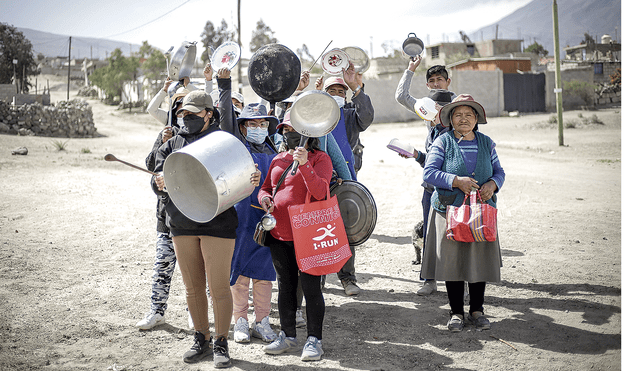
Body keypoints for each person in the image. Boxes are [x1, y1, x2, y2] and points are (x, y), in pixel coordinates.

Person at [153, 89, 261, 367]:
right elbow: (156, 178)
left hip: (218, 224)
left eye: (192, 113)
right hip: (181, 223)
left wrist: (252, 177)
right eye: (182, 114)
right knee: (193, 289)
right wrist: (158, 184)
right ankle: (200, 338)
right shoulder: (172, 143)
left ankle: (221, 342)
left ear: (209, 114)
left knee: (219, 288)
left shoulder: (222, 141)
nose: (185, 118)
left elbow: (244, 172)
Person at [422, 94, 505, 332]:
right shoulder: (442, 142)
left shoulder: (487, 143)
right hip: (450, 212)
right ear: (450, 119)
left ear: (476, 119)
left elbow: (499, 171)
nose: (463, 119)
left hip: (480, 213)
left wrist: (493, 184)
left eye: (469, 114)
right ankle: (456, 312)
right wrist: (456, 180)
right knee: (453, 263)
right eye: (458, 114)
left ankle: (477, 310)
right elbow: (429, 173)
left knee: (477, 260)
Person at [258, 111, 333, 361]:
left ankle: (314, 340)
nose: (289, 134)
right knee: (286, 286)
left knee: (311, 288)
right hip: (279, 233)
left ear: (308, 134)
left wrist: (305, 165)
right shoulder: (278, 159)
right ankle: (288, 336)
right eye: (285, 130)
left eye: (295, 130)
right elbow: (266, 188)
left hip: (309, 233)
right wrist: (265, 199)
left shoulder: (321, 159)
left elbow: (321, 191)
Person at [216, 66, 280, 344]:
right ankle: (240, 321)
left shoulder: (277, 153)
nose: (258, 128)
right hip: (240, 220)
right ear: (242, 127)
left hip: (267, 220)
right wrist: (223, 83)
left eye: (263, 124)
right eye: (252, 124)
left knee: (264, 275)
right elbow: (225, 117)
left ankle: (262, 322)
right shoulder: (235, 149)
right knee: (239, 273)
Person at [395, 56, 457, 296]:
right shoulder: (426, 107)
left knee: (456, 232)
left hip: (454, 184)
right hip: (431, 182)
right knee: (429, 232)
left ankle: (458, 282)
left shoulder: (459, 106)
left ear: (448, 82)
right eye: (431, 81)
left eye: (440, 80)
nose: (436, 85)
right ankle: (429, 279)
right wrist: (410, 69)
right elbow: (401, 97)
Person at [136, 78, 193, 330]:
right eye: (178, 106)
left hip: (194, 215)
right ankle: (157, 311)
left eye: (187, 107)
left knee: (195, 269)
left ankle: (197, 312)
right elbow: (151, 165)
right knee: (162, 265)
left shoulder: (201, 137)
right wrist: (162, 140)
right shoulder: (167, 135)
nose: (183, 112)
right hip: (166, 216)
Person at [314, 62, 374, 296]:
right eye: (332, 91)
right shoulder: (315, 116)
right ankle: (317, 278)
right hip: (318, 177)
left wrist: (356, 88)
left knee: (346, 226)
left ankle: (347, 278)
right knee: (318, 226)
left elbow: (367, 117)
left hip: (347, 178)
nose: (337, 95)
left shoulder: (350, 115)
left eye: (342, 92)